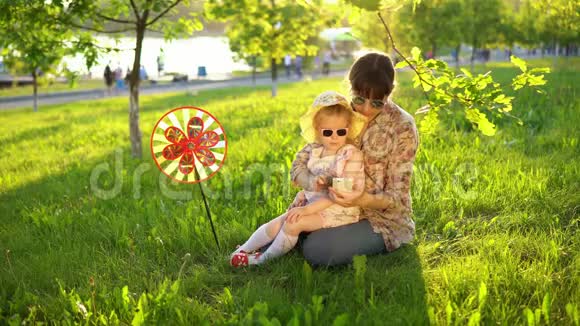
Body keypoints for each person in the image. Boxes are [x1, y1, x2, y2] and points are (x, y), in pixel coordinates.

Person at [291, 52, 420, 266]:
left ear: (389, 94)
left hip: (378, 218)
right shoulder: (339, 113)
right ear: (350, 87)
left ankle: (312, 237)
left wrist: (359, 199)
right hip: (328, 205)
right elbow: (305, 161)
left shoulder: (402, 126)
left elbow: (396, 198)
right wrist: (311, 181)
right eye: (359, 99)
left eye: (377, 102)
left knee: (317, 249)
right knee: (292, 224)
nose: (366, 109)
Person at [230, 91, 366, 267]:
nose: (334, 136)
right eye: (327, 132)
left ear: (348, 128)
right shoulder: (315, 151)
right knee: (279, 221)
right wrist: (304, 192)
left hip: (339, 211)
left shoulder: (350, 154)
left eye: (340, 131)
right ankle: (242, 250)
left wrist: (308, 209)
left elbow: (344, 189)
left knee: (294, 222)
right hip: (314, 205)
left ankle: (261, 261)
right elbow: (304, 176)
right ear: (318, 130)